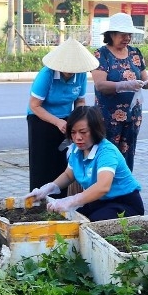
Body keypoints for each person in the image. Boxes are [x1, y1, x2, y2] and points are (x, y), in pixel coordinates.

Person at [27, 106, 144, 221]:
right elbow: (68, 175)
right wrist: (47, 189)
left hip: (123, 203)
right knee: (70, 219)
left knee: (90, 224)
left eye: (83, 132)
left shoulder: (106, 152)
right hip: (98, 201)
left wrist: (72, 200)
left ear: (95, 130)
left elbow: (103, 187)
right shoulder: (76, 150)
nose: (78, 138)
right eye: (73, 132)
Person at [27, 37, 98, 195]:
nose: (71, 71)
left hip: (67, 119)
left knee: (64, 161)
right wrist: (57, 122)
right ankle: (39, 199)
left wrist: (77, 120)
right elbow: (34, 105)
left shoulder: (80, 75)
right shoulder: (47, 74)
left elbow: (80, 101)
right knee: (42, 163)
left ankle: (60, 201)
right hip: (41, 119)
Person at [91, 12, 148, 171]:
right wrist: (123, 85)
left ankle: (124, 189)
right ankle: (104, 188)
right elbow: (100, 84)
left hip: (132, 114)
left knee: (127, 154)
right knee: (107, 153)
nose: (127, 37)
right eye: (123, 34)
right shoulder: (102, 54)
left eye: (129, 34)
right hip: (108, 115)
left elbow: (143, 78)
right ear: (111, 35)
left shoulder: (135, 53)